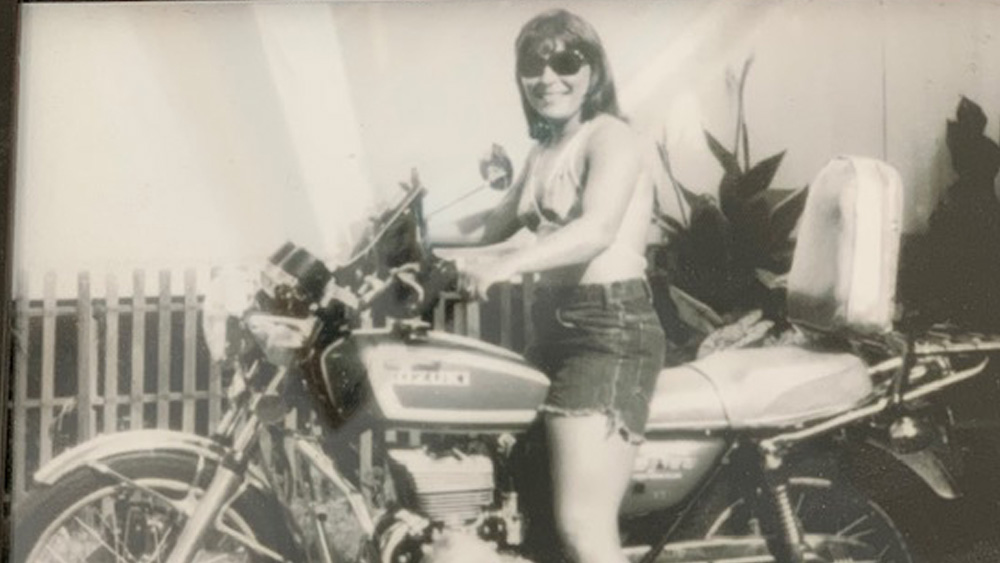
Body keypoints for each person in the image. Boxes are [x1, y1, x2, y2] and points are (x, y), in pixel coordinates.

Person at [455, 9, 667, 563]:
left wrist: (506, 265)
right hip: (552, 333)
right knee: (534, 517)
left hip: (609, 333)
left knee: (581, 526)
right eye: (533, 63)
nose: (549, 77)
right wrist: (401, 234)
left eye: (566, 61)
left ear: (593, 72)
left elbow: (594, 231)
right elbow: (490, 224)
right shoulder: (544, 150)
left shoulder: (611, 138)